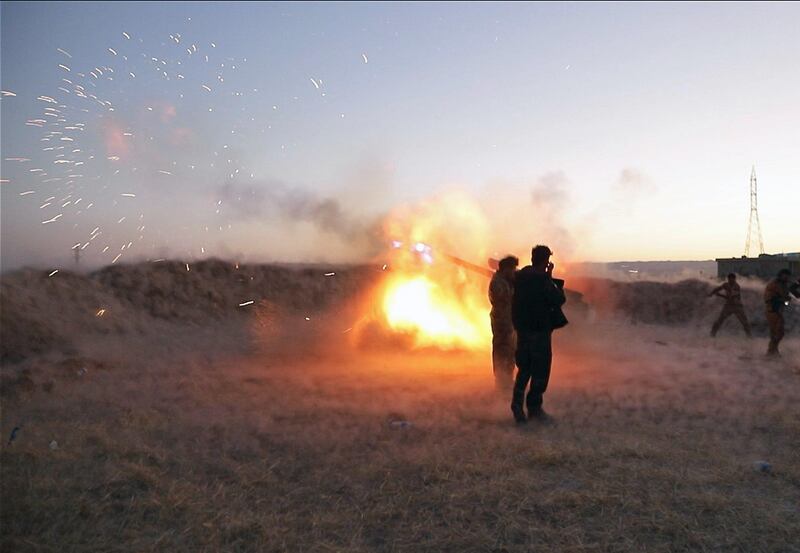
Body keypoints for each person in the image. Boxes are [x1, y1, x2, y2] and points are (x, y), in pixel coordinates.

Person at [510, 245, 566, 423]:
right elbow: (558, 299)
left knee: (524, 369)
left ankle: (517, 406)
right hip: (539, 331)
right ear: (545, 260)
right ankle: (534, 408)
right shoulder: (541, 279)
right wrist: (549, 277)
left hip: (523, 330)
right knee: (540, 371)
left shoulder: (520, 277)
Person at [489, 255, 519, 386]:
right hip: (501, 321)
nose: (514, 271)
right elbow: (504, 298)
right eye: (512, 269)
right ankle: (501, 381)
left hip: (508, 320)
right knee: (502, 351)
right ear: (506, 269)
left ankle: (508, 379)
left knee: (510, 350)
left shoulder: (505, 280)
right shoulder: (497, 282)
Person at [764, 269, 798, 356]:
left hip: (778, 311)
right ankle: (771, 351)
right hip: (772, 311)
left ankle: (773, 350)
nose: (786, 277)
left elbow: (792, 292)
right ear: (781, 275)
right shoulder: (774, 284)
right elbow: (769, 299)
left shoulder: (783, 284)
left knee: (779, 333)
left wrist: (797, 284)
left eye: (787, 275)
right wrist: (783, 300)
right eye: (785, 275)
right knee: (776, 332)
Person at [708, 273, 751, 337]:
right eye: (729, 279)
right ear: (728, 279)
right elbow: (718, 289)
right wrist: (711, 293)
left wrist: (720, 295)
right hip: (728, 306)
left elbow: (730, 297)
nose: (731, 281)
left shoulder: (736, 286)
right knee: (720, 320)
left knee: (744, 322)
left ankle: (749, 336)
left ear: (734, 279)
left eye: (732, 279)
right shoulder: (726, 285)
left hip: (737, 306)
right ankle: (712, 334)